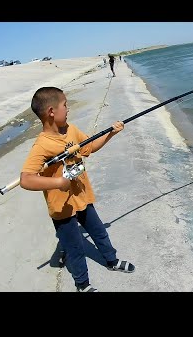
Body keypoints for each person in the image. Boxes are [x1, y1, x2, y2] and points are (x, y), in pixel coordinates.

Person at [20, 86, 135, 292]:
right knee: (74, 248)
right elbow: (26, 179)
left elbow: (89, 147)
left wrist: (111, 133)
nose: (68, 108)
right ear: (51, 112)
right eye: (65, 104)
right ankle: (82, 284)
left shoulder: (70, 129)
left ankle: (112, 261)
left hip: (81, 196)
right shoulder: (42, 145)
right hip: (61, 206)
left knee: (99, 231)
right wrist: (57, 183)